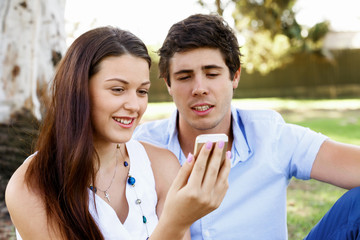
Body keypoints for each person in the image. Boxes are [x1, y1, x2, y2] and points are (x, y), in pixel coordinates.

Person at [133, 13, 360, 239]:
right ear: (168, 84)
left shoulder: (270, 135)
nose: (199, 88)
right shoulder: (141, 148)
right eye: (184, 77)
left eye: (212, 73)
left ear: (235, 76)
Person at [5, 26, 231, 240]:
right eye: (118, 89)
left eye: (142, 91)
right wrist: (176, 222)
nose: (134, 105)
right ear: (78, 91)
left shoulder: (162, 166)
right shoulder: (31, 186)